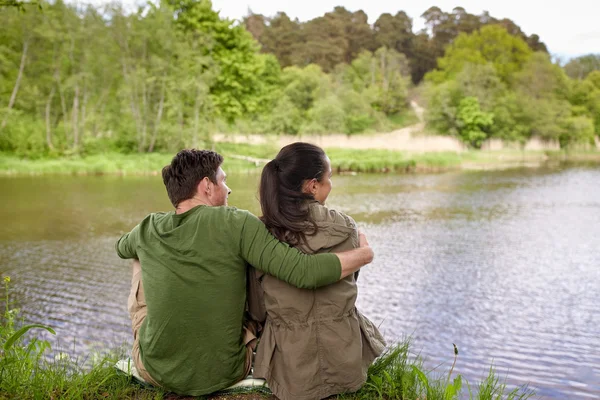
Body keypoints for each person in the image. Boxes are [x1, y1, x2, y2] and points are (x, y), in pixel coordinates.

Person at [116, 149, 375, 396]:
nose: (228, 188)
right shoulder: (236, 222)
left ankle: (163, 345)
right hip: (226, 372)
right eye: (223, 180)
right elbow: (304, 272)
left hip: (155, 370)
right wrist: (363, 254)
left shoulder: (148, 227)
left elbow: (121, 247)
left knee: (138, 257)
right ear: (207, 186)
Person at [248, 142, 386, 400]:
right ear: (312, 186)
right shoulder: (347, 226)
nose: (330, 184)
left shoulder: (263, 233)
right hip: (345, 362)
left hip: (290, 368)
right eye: (329, 178)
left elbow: (257, 308)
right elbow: (351, 280)